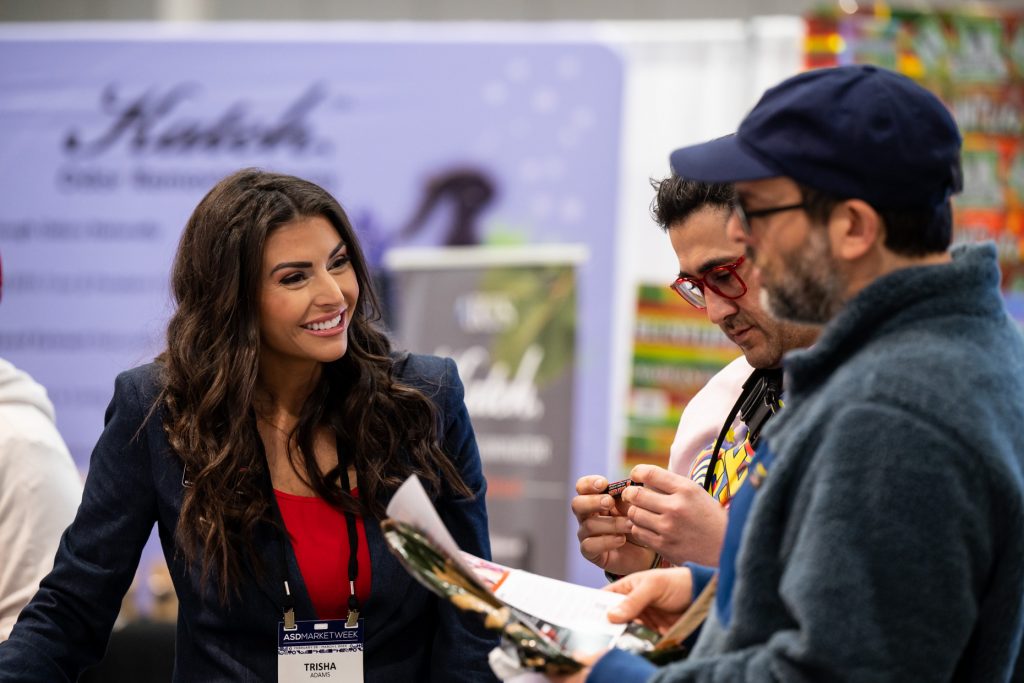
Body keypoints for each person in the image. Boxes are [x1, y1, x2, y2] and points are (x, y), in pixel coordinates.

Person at [557, 64, 1024, 682]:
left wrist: (609, 676)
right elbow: (876, 617)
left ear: (853, 227)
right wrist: (706, 598)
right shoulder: (961, 350)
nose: (749, 241)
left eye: (760, 217)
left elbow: (834, 673)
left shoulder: (893, 409)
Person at [0, 169, 499, 681]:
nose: (334, 294)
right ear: (231, 297)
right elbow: (72, 609)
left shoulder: (425, 398)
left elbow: (472, 610)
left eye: (339, 262)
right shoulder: (157, 410)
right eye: (295, 277)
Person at [572, 177, 818, 575]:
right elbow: (695, 595)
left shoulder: (888, 400)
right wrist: (650, 563)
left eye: (724, 275)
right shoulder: (715, 404)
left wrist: (723, 546)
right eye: (696, 286)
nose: (716, 312)